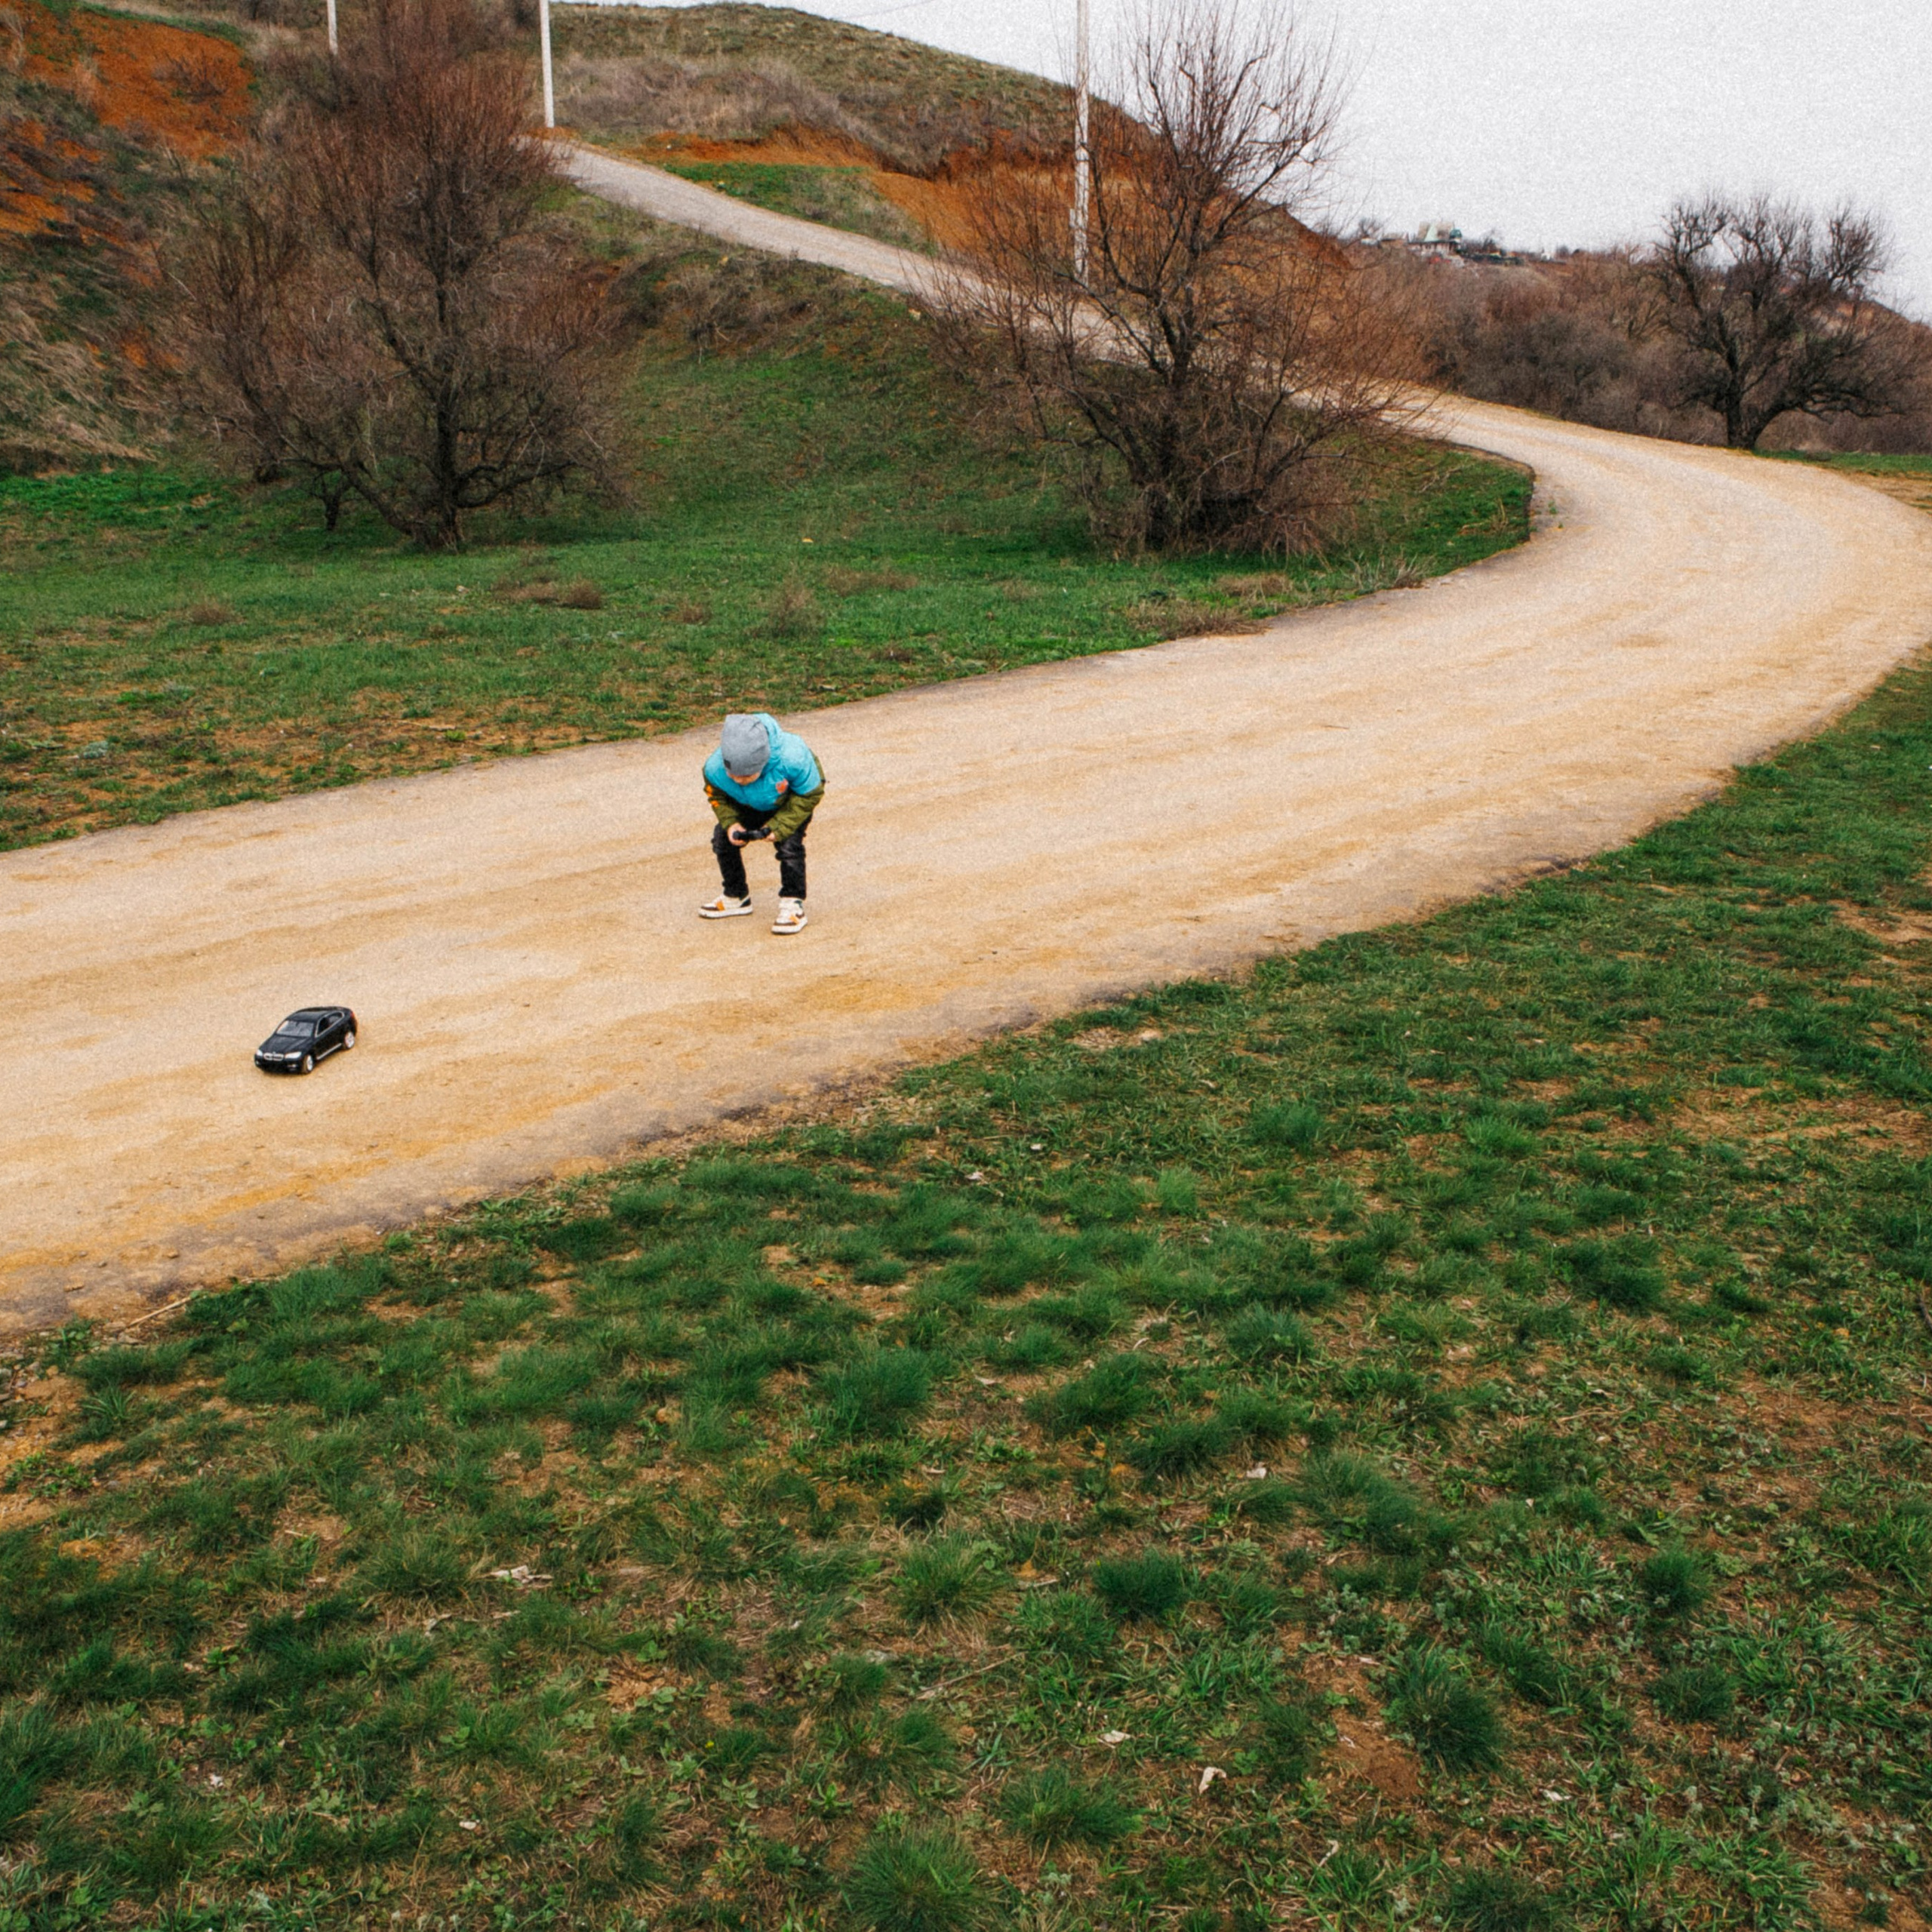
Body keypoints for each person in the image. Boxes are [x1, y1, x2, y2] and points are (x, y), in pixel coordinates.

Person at [697, 711, 825, 934]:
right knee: (722, 840)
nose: (739, 780)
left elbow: (810, 794)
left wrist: (780, 826)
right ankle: (736, 896)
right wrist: (731, 822)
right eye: (733, 775)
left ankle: (793, 903)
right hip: (748, 803)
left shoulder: (793, 758)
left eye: (747, 776)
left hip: (791, 803)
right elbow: (717, 796)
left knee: (789, 847)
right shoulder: (714, 769)